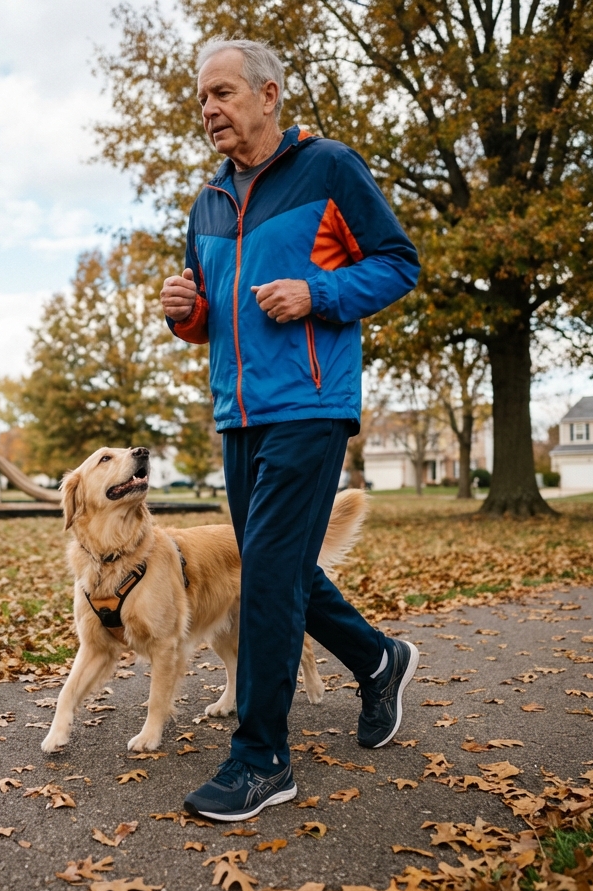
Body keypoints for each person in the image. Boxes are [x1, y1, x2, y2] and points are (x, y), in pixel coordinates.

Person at [160, 39, 421, 822]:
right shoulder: (207, 200)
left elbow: (398, 262)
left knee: (267, 574)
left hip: (310, 403)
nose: (210, 109)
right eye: (202, 96)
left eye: (224, 92)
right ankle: (379, 658)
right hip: (238, 413)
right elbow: (214, 316)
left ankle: (262, 758)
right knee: (279, 568)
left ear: (270, 95)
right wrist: (188, 314)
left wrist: (317, 294)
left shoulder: (329, 168)